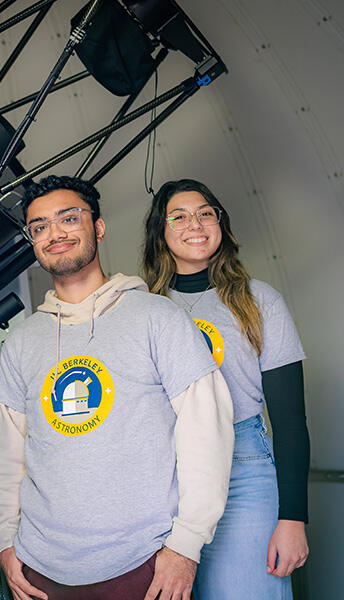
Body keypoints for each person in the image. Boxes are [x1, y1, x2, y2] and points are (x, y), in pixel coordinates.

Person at [0, 175, 235, 600]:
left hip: (144, 566)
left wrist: (186, 546)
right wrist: (5, 544)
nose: (55, 234)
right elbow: (8, 457)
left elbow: (206, 434)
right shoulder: (23, 342)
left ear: (98, 228)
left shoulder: (158, 318)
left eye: (69, 218)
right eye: (40, 226)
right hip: (41, 572)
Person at [142, 179, 310, 599]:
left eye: (205, 213)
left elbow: (290, 422)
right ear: (160, 233)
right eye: (178, 216)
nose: (194, 224)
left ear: (221, 224)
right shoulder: (143, 308)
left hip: (244, 472)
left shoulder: (258, 301)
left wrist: (293, 520)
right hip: (162, 476)